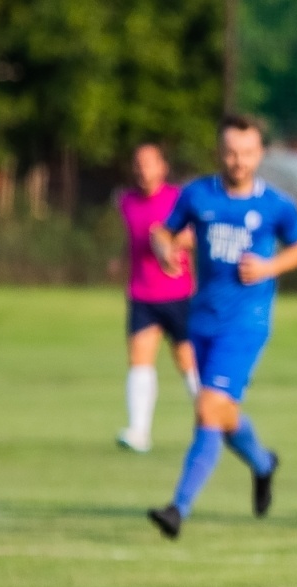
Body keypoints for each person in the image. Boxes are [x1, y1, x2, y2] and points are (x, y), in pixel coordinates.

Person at [145, 116, 297, 538]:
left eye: (247, 152)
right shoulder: (197, 194)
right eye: (231, 151)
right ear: (220, 152)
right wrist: (165, 250)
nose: (238, 160)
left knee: (207, 410)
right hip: (202, 320)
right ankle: (263, 463)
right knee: (223, 412)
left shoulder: (276, 204)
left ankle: (177, 509)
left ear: (260, 155)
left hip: (246, 324)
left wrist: (271, 265)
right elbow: (162, 231)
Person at [117, 143, 198, 453]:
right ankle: (139, 431)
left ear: (163, 167)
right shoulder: (127, 201)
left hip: (177, 294)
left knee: (188, 362)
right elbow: (132, 240)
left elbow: (191, 237)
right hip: (142, 294)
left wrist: (167, 243)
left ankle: (211, 422)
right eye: (138, 163)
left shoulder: (179, 198)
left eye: (149, 163)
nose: (143, 170)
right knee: (139, 359)